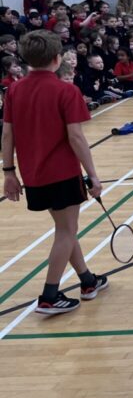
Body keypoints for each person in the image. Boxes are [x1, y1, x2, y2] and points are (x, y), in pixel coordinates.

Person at [2, 30, 108, 315]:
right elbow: (76, 137)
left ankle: (87, 281)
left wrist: (9, 172)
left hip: (33, 175)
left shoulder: (14, 90)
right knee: (66, 231)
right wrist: (93, 175)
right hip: (62, 174)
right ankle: (49, 296)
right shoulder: (66, 91)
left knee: (65, 229)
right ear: (57, 58)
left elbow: (7, 135)